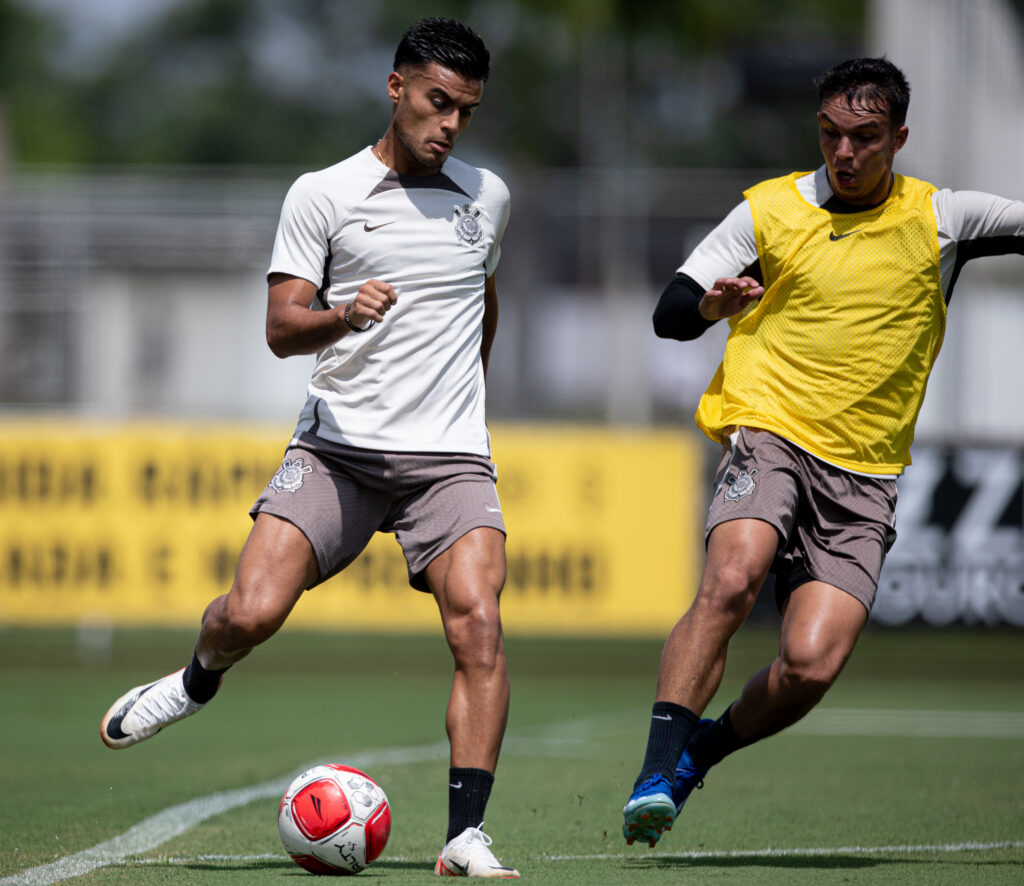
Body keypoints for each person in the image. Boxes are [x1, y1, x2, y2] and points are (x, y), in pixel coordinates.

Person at [100, 17, 520, 879]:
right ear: (396, 88)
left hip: (448, 459)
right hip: (338, 451)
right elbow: (280, 328)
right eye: (438, 102)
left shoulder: (490, 197)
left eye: (467, 112)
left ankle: (465, 835)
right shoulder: (322, 194)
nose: (450, 125)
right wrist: (343, 314)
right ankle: (196, 679)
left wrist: (466, 405)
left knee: (479, 620)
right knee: (249, 612)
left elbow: (485, 301)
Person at [622, 56, 1024, 847]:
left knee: (810, 666)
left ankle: (701, 752)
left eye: (865, 138)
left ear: (899, 138)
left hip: (866, 474)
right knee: (733, 576)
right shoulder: (768, 211)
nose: (844, 152)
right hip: (768, 429)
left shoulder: (945, 218)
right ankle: (651, 774)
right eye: (831, 134)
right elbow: (671, 312)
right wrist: (709, 306)